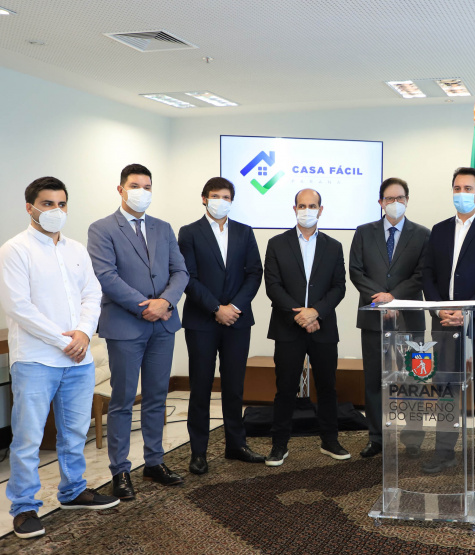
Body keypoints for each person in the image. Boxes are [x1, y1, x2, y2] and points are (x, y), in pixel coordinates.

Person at [0, 177, 119, 539]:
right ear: (30, 207)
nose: (56, 210)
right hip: (36, 359)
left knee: (73, 432)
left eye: (62, 204)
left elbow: (92, 294)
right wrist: (62, 340)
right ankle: (24, 508)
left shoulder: (76, 249)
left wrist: (83, 333)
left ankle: (73, 491)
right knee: (28, 436)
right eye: (48, 204)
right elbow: (19, 307)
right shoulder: (14, 250)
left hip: (77, 359)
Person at [87, 163, 189, 500]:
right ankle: (120, 471)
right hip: (125, 326)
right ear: (120, 189)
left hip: (163, 324)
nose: (141, 192)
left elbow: (180, 272)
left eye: (147, 186)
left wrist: (165, 303)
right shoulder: (102, 229)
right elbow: (106, 276)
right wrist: (146, 305)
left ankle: (154, 462)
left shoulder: (163, 227)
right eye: (135, 185)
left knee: (158, 397)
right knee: (123, 400)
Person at [422, 167, 475, 480]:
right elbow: (428, 274)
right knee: (446, 390)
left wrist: (467, 311)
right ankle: (444, 452)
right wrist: (439, 310)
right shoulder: (440, 229)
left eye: (468, 188)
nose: (462, 193)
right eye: (457, 188)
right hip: (444, 324)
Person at [178, 177, 265, 475]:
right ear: (204, 198)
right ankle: (199, 452)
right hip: (202, 321)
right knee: (200, 387)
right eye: (215, 196)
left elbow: (255, 272)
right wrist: (216, 308)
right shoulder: (189, 233)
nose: (220, 200)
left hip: (238, 321)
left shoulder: (244, 231)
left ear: (232, 200)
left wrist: (234, 308)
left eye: (226, 196)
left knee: (234, 387)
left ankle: (236, 445)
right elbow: (187, 276)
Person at [263, 188, 348, 466]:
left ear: (321, 210)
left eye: (312, 206)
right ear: (294, 208)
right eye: (302, 205)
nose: (307, 210)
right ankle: (279, 444)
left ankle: (329, 439)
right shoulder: (277, 243)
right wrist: (299, 315)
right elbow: (273, 286)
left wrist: (316, 313)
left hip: (323, 327)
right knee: (285, 387)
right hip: (288, 327)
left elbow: (339, 287)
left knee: (327, 386)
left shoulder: (333, 246)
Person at [349, 177, 430, 458]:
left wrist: (394, 297)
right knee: (374, 379)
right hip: (373, 319)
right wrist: (381, 298)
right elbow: (356, 272)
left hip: (410, 318)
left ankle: (412, 438)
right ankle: (377, 438)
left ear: (407, 200)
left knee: (412, 379)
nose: (395, 203)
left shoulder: (422, 234)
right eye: (389, 199)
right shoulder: (363, 232)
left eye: (400, 198)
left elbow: (421, 274)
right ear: (380, 202)